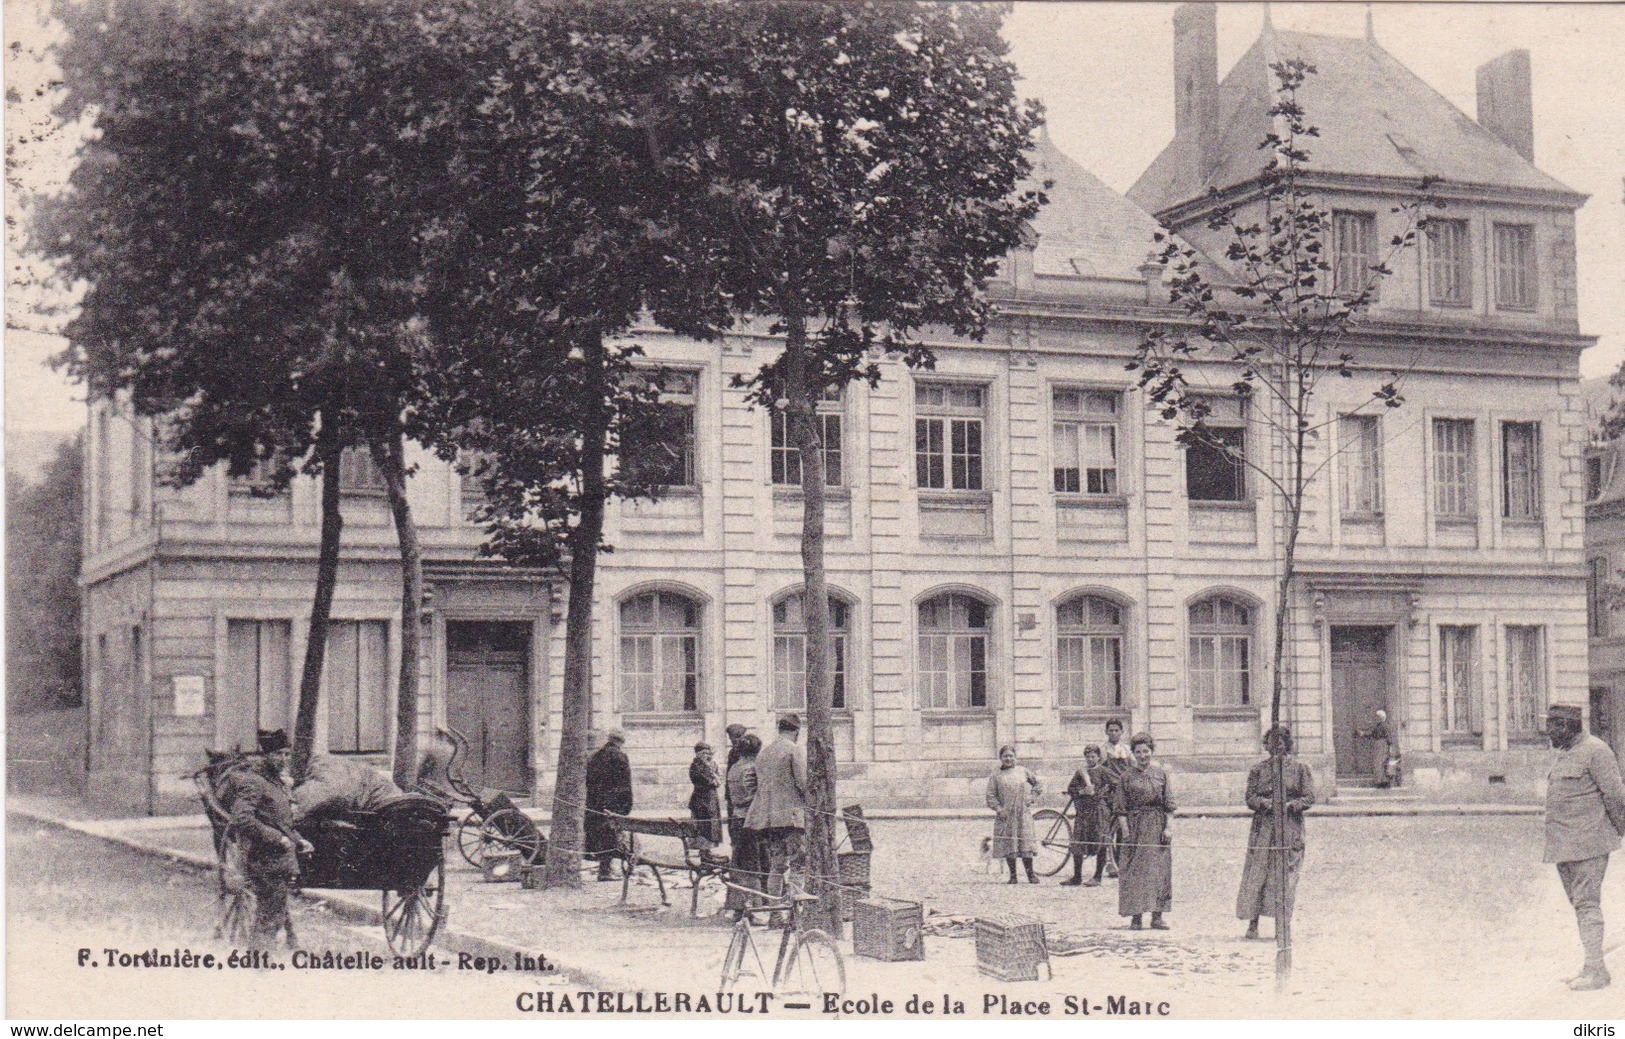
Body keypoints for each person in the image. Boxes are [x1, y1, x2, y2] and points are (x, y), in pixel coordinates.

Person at [1543, 703, 1625, 991]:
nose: (1548, 730)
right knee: (1580, 906)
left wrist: (1621, 831)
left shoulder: (1597, 751)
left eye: (1553, 724)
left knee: (1587, 905)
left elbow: (1616, 797)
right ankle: (1591, 966)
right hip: (1564, 846)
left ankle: (1596, 972)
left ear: (1568, 725)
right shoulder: (1566, 752)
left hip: (1588, 844)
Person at [221, 729, 311, 948]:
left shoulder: (276, 783)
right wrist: (277, 839)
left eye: (286, 754)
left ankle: (259, 960)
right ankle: (259, 963)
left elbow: (280, 821)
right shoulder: (255, 782)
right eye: (277, 754)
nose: (283, 759)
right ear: (265, 755)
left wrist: (298, 840)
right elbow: (242, 819)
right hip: (265, 860)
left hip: (279, 861)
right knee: (270, 916)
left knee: (273, 914)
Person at [1235, 726, 1315, 939]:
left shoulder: (1300, 769)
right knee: (1257, 874)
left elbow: (1309, 798)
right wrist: (1265, 803)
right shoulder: (1258, 770)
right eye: (1272, 743)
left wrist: (1291, 805)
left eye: (1280, 743)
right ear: (1267, 745)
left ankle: (1283, 925)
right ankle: (1253, 924)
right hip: (1264, 827)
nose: (1276, 747)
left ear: (1287, 745)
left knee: (1286, 877)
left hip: (1290, 828)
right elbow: (1250, 798)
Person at [744, 714, 808, 921]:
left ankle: (774, 914)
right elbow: (803, 783)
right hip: (791, 820)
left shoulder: (764, 753)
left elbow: (752, 784)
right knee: (799, 864)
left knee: (777, 866)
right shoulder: (794, 750)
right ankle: (795, 914)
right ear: (796, 731)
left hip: (768, 821)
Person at [1112, 732, 1174, 930]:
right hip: (1135, 826)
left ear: (1152, 752)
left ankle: (1157, 916)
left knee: (1159, 871)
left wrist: (1168, 827)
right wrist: (1126, 832)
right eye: (1138, 752)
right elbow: (1120, 808)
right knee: (1134, 872)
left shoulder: (1161, 774)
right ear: (1133, 753)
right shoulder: (1126, 777)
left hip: (1157, 827)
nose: (1143, 756)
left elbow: (1169, 805)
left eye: (1146, 751)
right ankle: (1136, 916)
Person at [986, 744, 1044, 885]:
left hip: (1022, 813)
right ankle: (1013, 876)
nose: (1008, 758)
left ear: (1015, 757)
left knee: (1026, 844)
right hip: (1006, 814)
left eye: (1011, 756)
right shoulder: (996, 775)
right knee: (1009, 845)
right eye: (1005, 756)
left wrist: (1032, 797)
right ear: (1000, 758)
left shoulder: (1023, 771)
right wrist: (999, 809)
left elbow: (1038, 784)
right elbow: (990, 795)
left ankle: (1030, 874)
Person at [724, 733, 763, 919]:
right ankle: (753, 909)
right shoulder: (750, 769)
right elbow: (750, 797)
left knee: (739, 864)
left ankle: (738, 907)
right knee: (752, 865)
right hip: (750, 821)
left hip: (737, 820)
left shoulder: (733, 768)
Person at [585, 731, 632, 881]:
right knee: (610, 834)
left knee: (598, 834)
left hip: (594, 802)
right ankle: (605, 871)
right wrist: (626, 805)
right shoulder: (620, 757)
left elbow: (588, 781)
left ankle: (604, 868)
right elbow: (625, 784)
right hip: (613, 803)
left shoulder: (595, 756)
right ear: (620, 742)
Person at [1062, 744, 1112, 887]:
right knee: (1078, 842)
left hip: (1099, 811)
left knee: (1100, 842)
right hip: (1083, 812)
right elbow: (1071, 788)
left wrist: (1102, 794)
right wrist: (1081, 792)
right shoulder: (1081, 772)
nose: (1090, 759)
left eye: (1093, 756)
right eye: (1088, 756)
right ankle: (1077, 877)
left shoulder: (1103, 771)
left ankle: (1097, 877)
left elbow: (1114, 786)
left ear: (1098, 757)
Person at [1100, 719, 1133, 877]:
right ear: (1106, 732)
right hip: (1110, 794)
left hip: (1125, 793)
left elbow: (1134, 768)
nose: (1113, 733)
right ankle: (1110, 864)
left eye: (1116, 730)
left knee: (1123, 828)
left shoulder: (1127, 750)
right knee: (1108, 829)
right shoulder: (1102, 750)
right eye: (1110, 730)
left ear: (1121, 732)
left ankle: (1122, 863)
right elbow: (1096, 770)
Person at [688, 742, 723, 848]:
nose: (706, 756)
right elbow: (707, 781)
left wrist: (715, 777)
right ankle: (702, 845)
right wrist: (714, 779)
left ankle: (712, 843)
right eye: (704, 753)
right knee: (703, 821)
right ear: (697, 753)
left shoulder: (710, 764)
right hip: (701, 798)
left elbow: (718, 778)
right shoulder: (696, 766)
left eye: (708, 753)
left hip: (711, 796)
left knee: (712, 819)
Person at [1356, 708, 1401, 788]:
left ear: (1380, 718)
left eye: (1376, 717)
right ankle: (1380, 781)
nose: (1375, 718)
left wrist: (1390, 747)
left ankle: (1382, 782)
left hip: (1382, 746)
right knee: (1379, 763)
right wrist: (1363, 734)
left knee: (1381, 763)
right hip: (1379, 745)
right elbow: (1372, 733)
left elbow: (1388, 737)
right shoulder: (1378, 726)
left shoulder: (1384, 726)